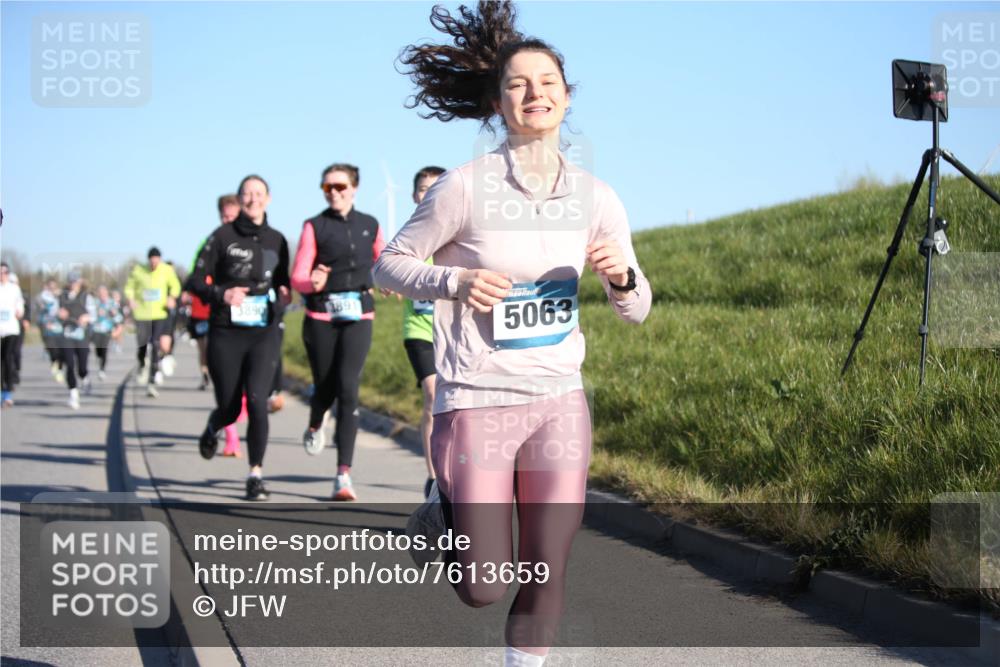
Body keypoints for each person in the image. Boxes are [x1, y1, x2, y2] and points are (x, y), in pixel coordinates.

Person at [377, 3, 651, 664]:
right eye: (519, 84)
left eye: (548, 82)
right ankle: (444, 503)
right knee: (483, 584)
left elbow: (637, 307)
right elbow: (388, 263)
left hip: (558, 397)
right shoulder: (460, 189)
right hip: (477, 398)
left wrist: (621, 280)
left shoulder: (597, 197)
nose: (535, 93)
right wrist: (455, 283)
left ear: (566, 95)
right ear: (498, 103)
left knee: (546, 565)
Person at [189, 174, 290, 501]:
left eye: (258, 193)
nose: (252, 199)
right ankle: (213, 426)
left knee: (258, 402)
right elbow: (194, 281)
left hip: (263, 332)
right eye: (247, 194)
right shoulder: (221, 236)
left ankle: (255, 474)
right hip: (226, 333)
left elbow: (283, 283)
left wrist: (285, 295)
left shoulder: (278, 240)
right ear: (240, 199)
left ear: (268, 199)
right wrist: (221, 292)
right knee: (231, 408)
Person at [291, 163, 385, 501]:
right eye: (327, 187)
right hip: (321, 316)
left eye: (340, 186)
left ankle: (343, 474)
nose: (334, 192)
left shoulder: (370, 224)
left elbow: (383, 261)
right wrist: (309, 281)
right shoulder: (314, 226)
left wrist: (389, 282)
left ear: (355, 188)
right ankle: (316, 420)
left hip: (359, 315)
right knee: (325, 386)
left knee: (348, 388)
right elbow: (298, 274)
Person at [404, 166, 445, 498]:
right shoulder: (408, 235)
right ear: (414, 195)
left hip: (455, 332)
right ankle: (433, 476)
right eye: (421, 188)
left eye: (435, 187)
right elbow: (388, 267)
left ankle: (453, 475)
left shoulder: (457, 230)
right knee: (432, 395)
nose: (427, 193)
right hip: (419, 330)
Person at [186, 194, 241, 391]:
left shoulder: (252, 240)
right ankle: (205, 374)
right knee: (206, 348)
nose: (229, 222)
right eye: (225, 218)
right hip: (206, 309)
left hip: (240, 313)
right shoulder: (211, 241)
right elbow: (195, 277)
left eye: (233, 217)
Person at [124, 247, 181, 397]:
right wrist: (130, 299)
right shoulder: (138, 270)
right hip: (142, 313)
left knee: (155, 344)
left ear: (160, 259)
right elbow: (129, 287)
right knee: (142, 344)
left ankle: (152, 379)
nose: (154, 262)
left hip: (159, 313)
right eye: (152, 259)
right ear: (148, 259)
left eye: (157, 259)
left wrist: (172, 297)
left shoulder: (166, 270)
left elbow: (175, 286)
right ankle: (142, 363)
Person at [59, 271, 96, 410]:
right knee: (69, 364)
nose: (73, 285)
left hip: (81, 335)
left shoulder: (86, 297)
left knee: (81, 367)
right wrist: (59, 314)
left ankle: (85, 378)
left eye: (76, 282)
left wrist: (86, 318)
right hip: (67, 334)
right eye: (71, 282)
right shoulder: (62, 296)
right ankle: (73, 394)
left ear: (80, 282)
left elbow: (94, 315)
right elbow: (52, 313)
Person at [0, 263, 25, 406]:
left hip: (11, 329)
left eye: (4, 272)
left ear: (8, 274)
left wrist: (20, 311)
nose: (2, 275)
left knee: (7, 359)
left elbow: (20, 303)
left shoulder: (14, 289)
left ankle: (7, 393)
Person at [91, 285, 123, 381]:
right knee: (98, 349)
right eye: (100, 293)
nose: (102, 295)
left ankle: (102, 370)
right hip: (96, 329)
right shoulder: (95, 303)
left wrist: (114, 315)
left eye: (104, 293)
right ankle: (99, 358)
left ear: (107, 293)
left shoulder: (112, 303)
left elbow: (119, 317)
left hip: (107, 329)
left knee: (104, 349)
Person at [37, 278, 65, 383]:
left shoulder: (61, 297)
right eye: (50, 286)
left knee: (61, 352)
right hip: (48, 328)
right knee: (53, 351)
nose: (52, 289)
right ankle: (54, 364)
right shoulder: (44, 296)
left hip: (59, 328)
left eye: (54, 286)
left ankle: (60, 369)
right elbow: (40, 302)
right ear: (47, 287)